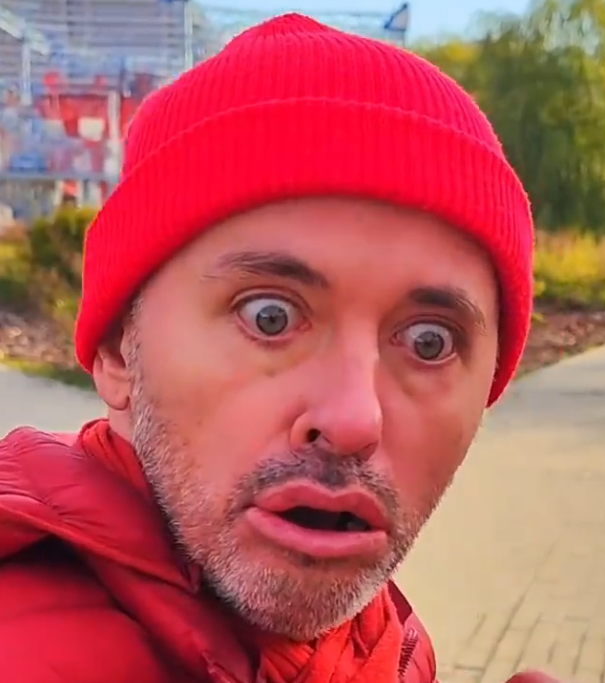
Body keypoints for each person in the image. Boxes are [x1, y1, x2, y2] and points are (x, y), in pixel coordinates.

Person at [0, 13, 560, 683]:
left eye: (429, 341)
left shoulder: (385, 643)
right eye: (269, 317)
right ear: (121, 350)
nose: (353, 419)